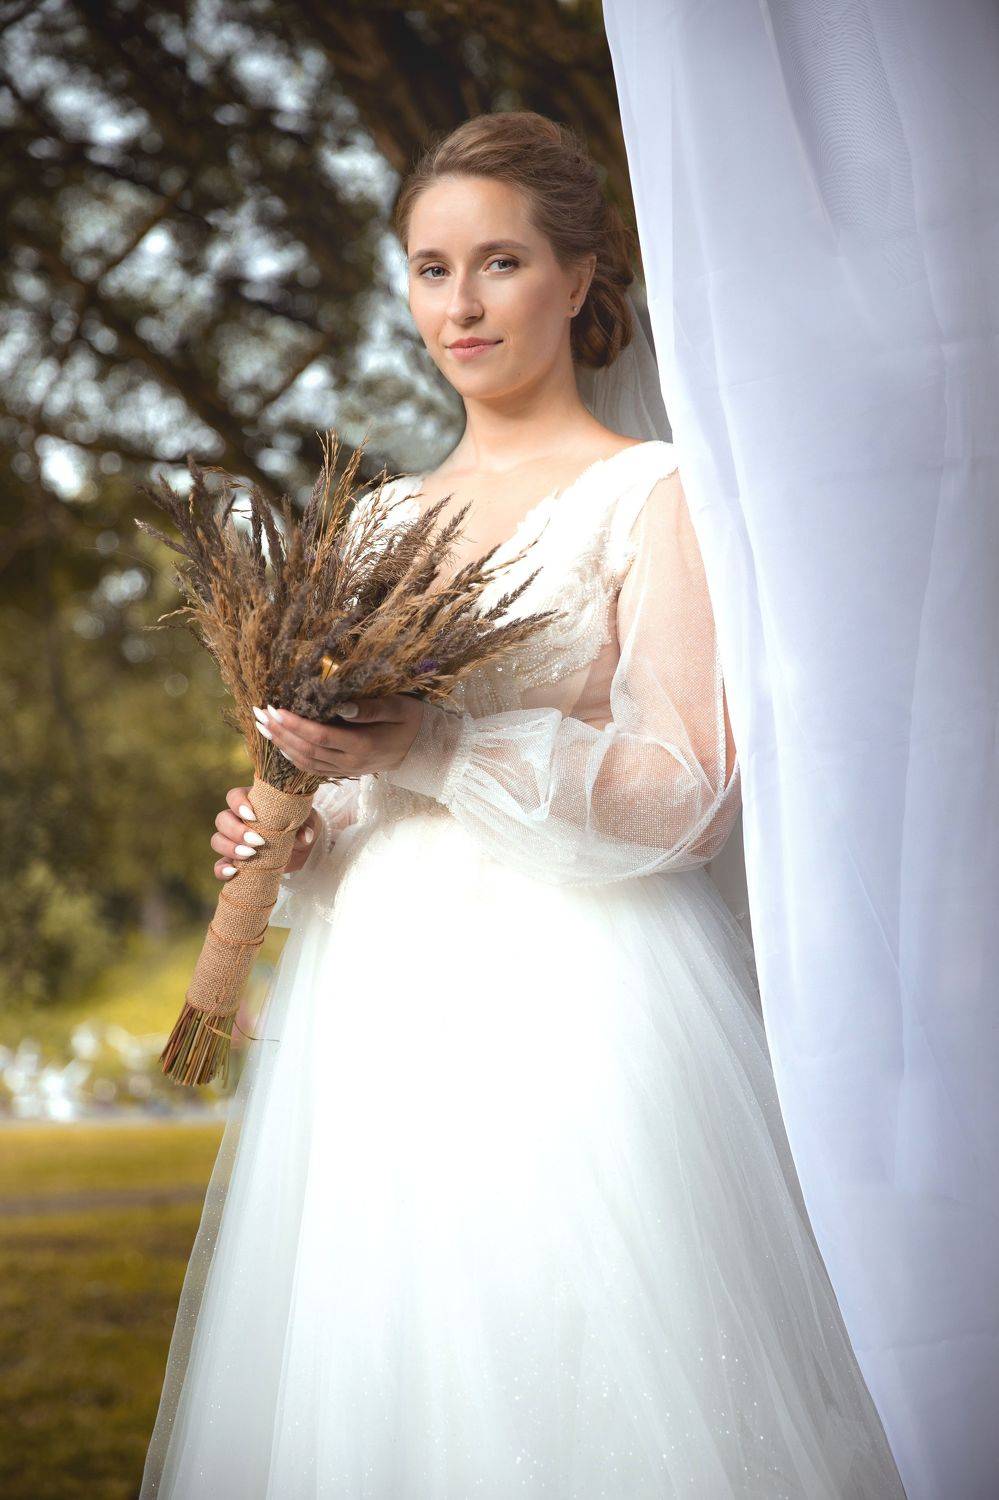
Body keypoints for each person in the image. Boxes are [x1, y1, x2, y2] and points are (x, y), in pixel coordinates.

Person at [139, 112, 906, 1498]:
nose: (463, 305)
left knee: (576, 1360)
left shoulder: (653, 493)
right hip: (379, 1000)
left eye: (500, 263)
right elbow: (365, 799)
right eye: (432, 270)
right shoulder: (378, 526)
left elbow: (688, 791)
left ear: (579, 275)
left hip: (581, 992)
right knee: (386, 1377)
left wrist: (432, 745)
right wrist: (291, 833)